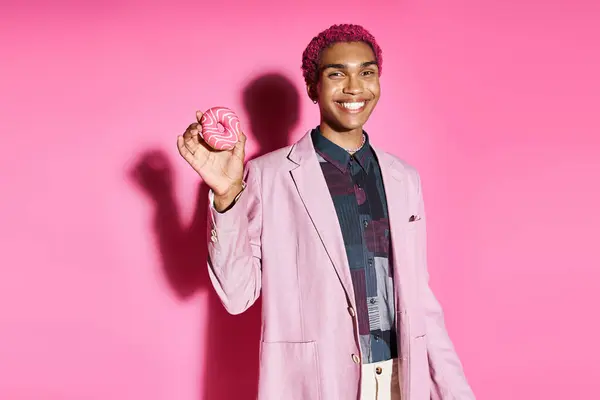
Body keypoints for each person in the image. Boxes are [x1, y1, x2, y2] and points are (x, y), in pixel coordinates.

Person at [177, 23, 475, 400]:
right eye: (337, 74)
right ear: (312, 87)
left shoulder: (404, 179)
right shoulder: (267, 176)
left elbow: (419, 299)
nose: (354, 87)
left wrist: (454, 391)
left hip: (402, 377)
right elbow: (237, 296)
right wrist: (226, 195)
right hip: (316, 383)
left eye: (366, 72)